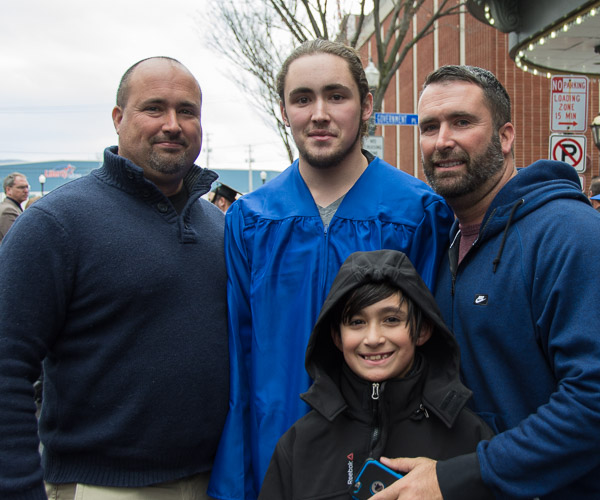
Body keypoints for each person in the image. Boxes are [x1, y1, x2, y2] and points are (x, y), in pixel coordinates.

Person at [208, 39, 454, 500]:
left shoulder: (418, 213)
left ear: (366, 106)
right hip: (275, 446)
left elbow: (432, 351)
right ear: (284, 111)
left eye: (335, 96)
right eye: (303, 98)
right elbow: (240, 359)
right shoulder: (251, 220)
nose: (319, 113)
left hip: (383, 457)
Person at [0, 57, 229, 500]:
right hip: (100, 487)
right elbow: (7, 365)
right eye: (154, 108)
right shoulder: (55, 223)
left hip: (216, 482)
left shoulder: (221, 229)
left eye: (187, 111)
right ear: (118, 119)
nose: (172, 124)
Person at [370, 65, 600, 499]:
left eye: (462, 122)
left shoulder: (571, 235)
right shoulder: (443, 242)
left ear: (506, 135)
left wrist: (466, 473)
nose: (442, 141)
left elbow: (592, 399)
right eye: (430, 127)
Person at [258, 249, 494, 500]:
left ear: (423, 330)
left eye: (391, 319)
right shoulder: (300, 444)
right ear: (337, 337)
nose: (373, 339)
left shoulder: (470, 438)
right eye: (357, 322)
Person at [0, 172, 29, 242]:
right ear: (8, 190)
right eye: (21, 187)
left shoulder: (10, 207)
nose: (26, 191)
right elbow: (15, 241)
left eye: (27, 187)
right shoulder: (8, 210)